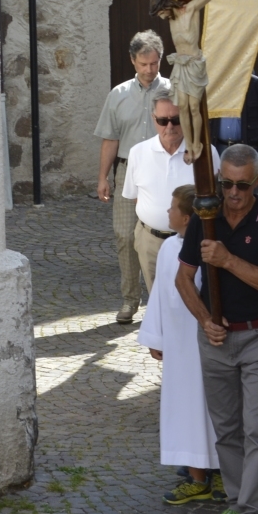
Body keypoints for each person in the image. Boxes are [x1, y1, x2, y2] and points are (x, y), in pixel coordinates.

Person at [176, 144, 258, 514]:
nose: (234, 193)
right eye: (227, 184)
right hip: (217, 339)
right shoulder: (204, 218)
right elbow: (183, 280)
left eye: (242, 185)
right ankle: (236, 504)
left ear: (257, 182)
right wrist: (205, 319)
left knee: (257, 429)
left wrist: (226, 260)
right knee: (226, 429)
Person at [110, 0, 248, 163]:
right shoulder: (170, 16)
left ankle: (195, 144)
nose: (163, 17)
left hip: (193, 64)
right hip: (180, 65)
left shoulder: (190, 9)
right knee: (182, 106)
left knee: (193, 107)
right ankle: (189, 146)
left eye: (162, 13)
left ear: (166, 5)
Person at [137, 185, 222, 505]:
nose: (167, 212)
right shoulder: (171, 248)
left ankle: (225, 474)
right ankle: (197, 473)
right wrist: (156, 337)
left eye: (172, 208)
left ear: (187, 218)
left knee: (218, 408)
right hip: (180, 347)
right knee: (187, 409)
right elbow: (160, 294)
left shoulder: (208, 249)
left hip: (208, 342)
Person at [94, 30, 171, 324]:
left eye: (154, 63)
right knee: (125, 235)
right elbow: (110, 139)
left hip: (163, 169)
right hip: (128, 170)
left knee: (163, 234)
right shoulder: (118, 95)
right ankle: (129, 299)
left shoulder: (174, 91)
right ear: (132, 61)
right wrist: (103, 177)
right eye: (143, 64)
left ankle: (163, 298)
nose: (149, 70)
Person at [123, 95, 221, 293]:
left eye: (176, 119)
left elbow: (216, 198)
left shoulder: (205, 154)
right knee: (157, 301)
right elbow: (135, 197)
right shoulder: (138, 153)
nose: (169, 126)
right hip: (151, 241)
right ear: (153, 119)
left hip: (194, 241)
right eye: (162, 120)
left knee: (196, 298)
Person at [209, 73, 258, 165]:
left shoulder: (255, 84)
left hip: (246, 148)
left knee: (246, 179)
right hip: (219, 147)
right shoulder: (214, 82)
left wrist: (252, 138)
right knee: (220, 178)